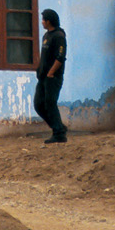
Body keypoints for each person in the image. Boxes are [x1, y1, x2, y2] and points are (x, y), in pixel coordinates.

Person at [34, 8, 67, 144]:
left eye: (43, 20)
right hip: (43, 77)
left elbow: (60, 57)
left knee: (50, 103)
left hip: (53, 77)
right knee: (38, 105)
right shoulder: (46, 36)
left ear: (49, 21)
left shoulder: (59, 36)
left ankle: (59, 134)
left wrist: (51, 72)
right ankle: (58, 126)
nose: (41, 22)